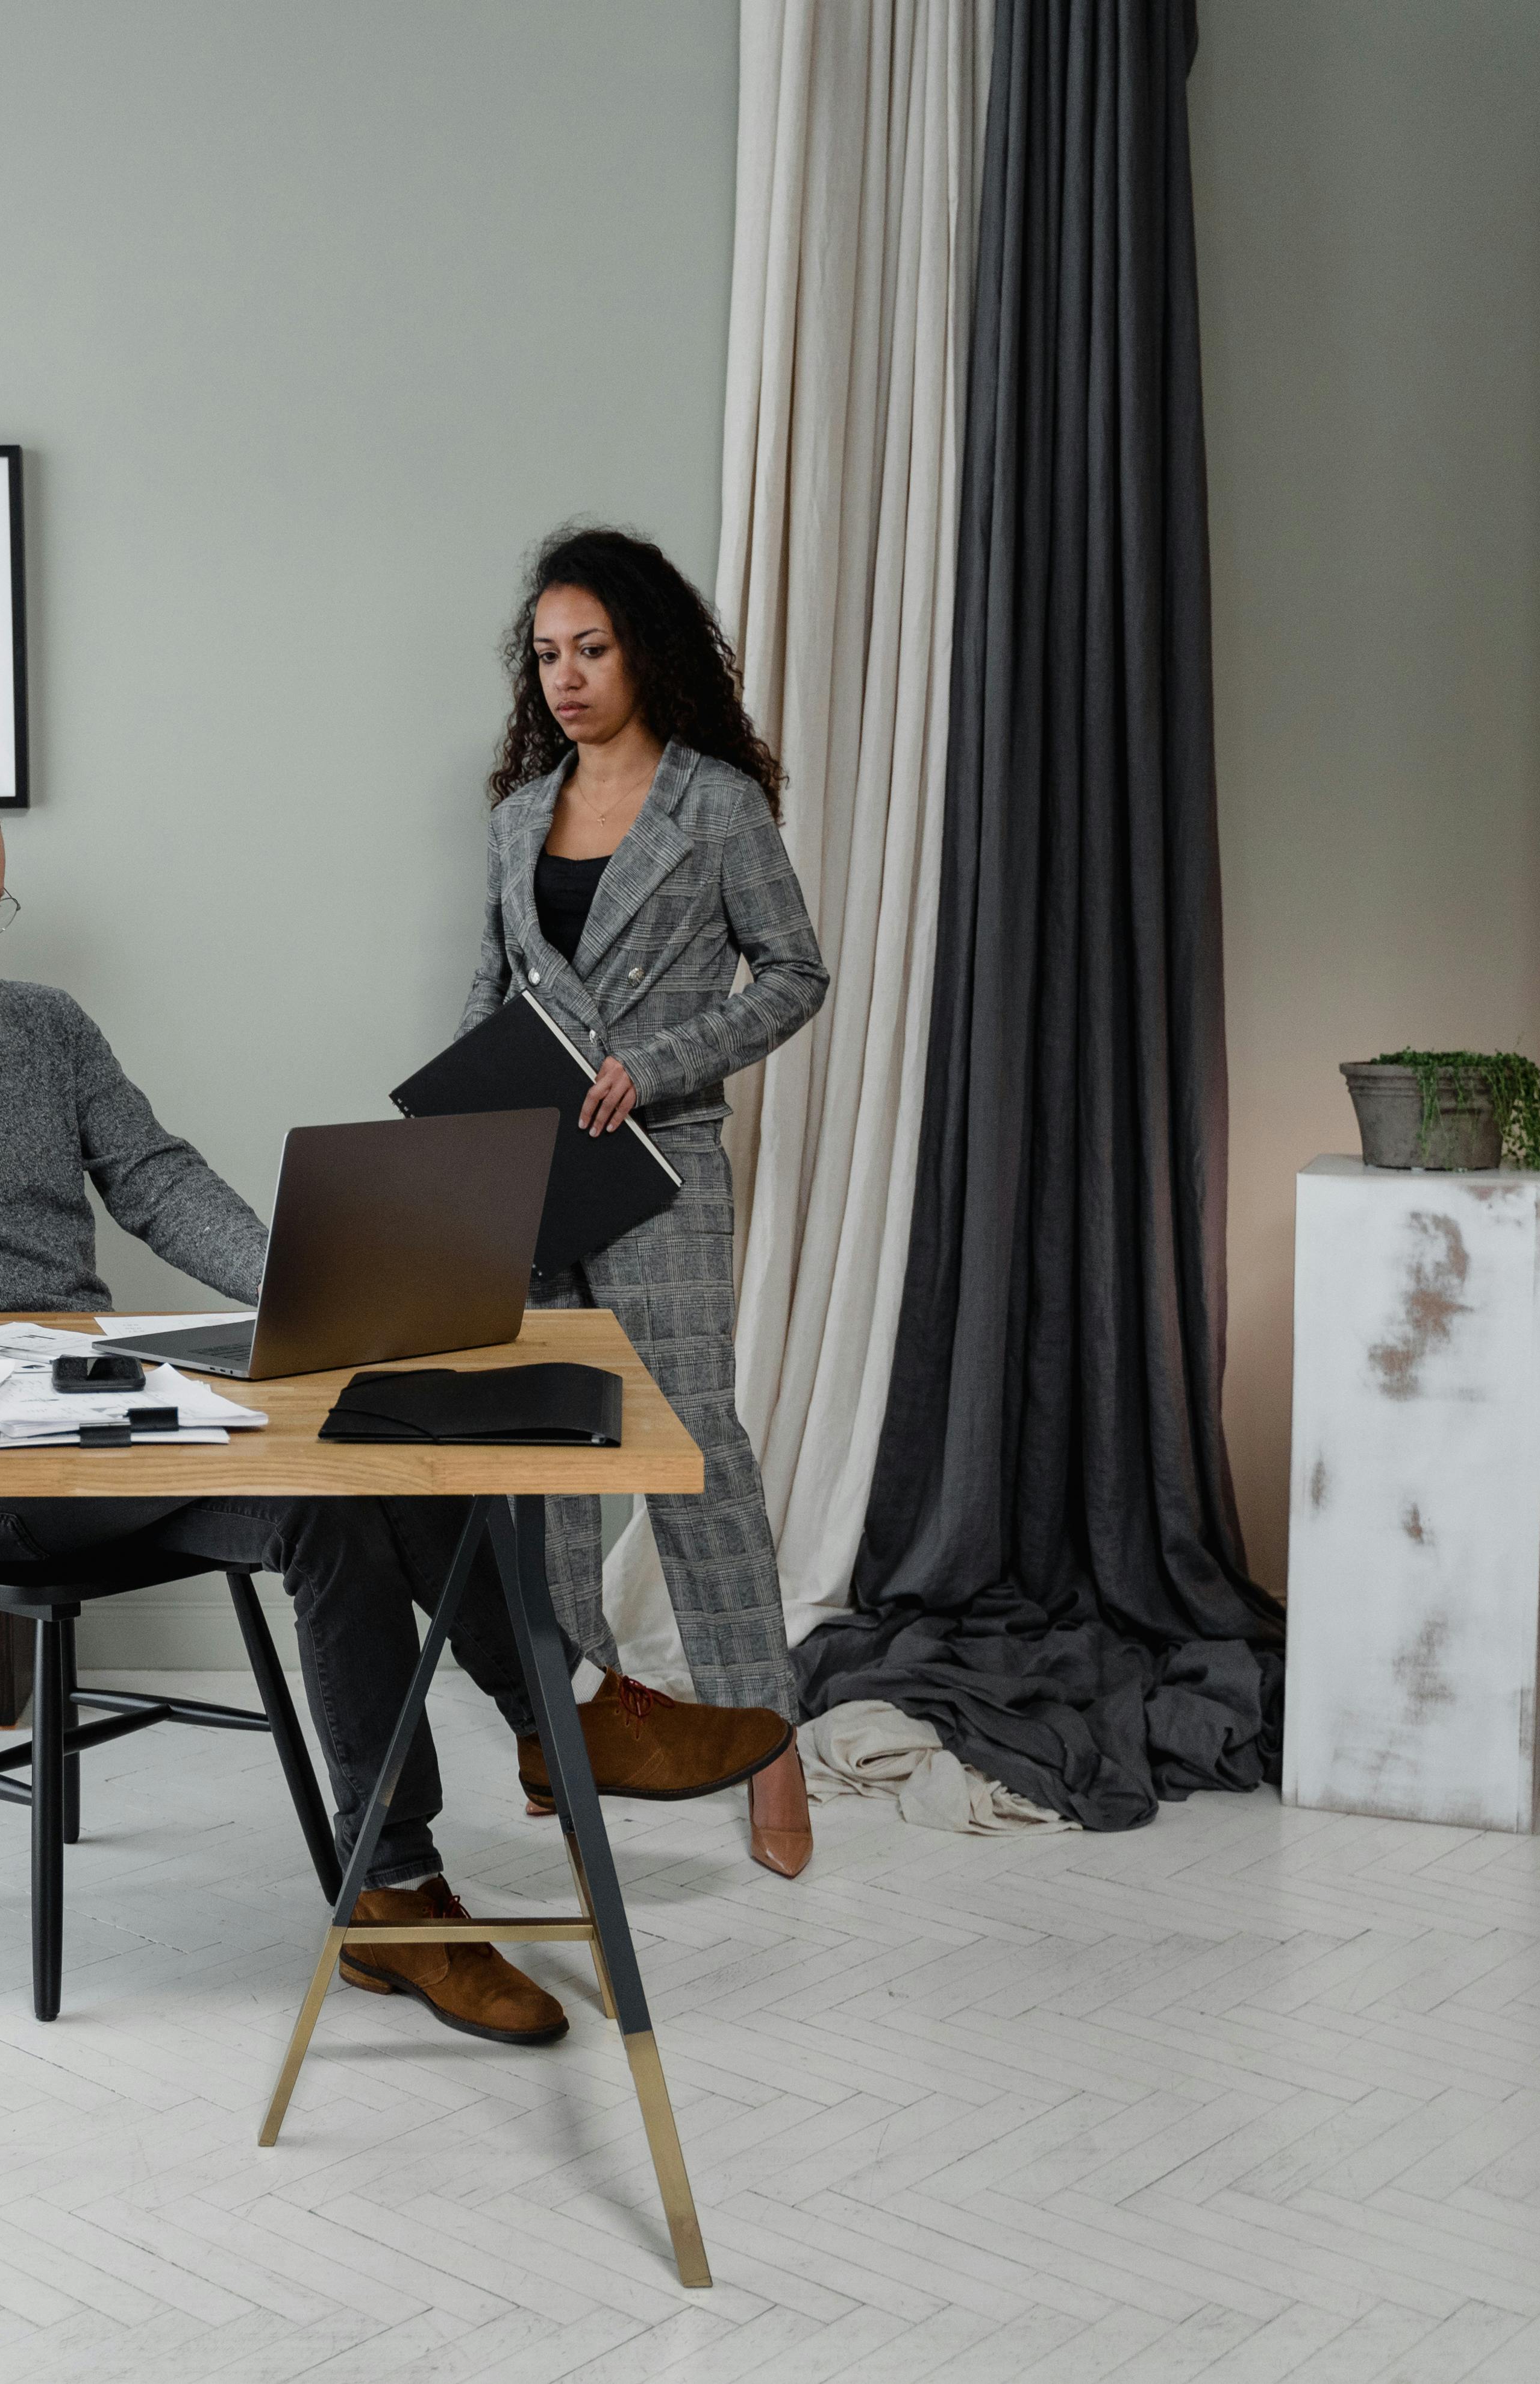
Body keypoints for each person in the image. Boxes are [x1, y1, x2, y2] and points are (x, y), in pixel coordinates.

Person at [0, 752, 772, 2046]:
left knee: (349, 1477)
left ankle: (406, 1888)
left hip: (104, 1417)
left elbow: (158, 1180)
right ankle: (551, 1722)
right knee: (321, 1480)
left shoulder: (48, 1030)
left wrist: (301, 1286)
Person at [465, 525, 833, 1877]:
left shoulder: (718, 805)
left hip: (665, 1162)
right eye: (548, 655)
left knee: (690, 1449)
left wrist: (660, 1063)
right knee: (548, 1453)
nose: (566, 677)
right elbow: (494, 985)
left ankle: (764, 1733)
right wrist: (455, 1136)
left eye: (592, 649)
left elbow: (794, 974)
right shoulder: (515, 816)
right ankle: (583, 1722)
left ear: (646, 649)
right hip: (533, 1169)